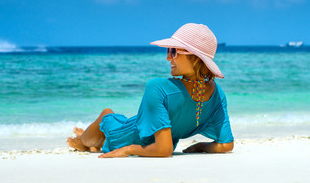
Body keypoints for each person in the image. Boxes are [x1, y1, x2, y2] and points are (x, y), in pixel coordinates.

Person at [67, 23, 234, 158]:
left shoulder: (159, 87)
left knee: (96, 141)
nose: (168, 57)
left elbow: (163, 150)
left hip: (130, 138)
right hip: (120, 133)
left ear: (195, 57)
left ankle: (93, 131)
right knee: (85, 143)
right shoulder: (217, 94)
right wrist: (201, 147)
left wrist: (129, 149)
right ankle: (85, 134)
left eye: (173, 51)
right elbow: (225, 145)